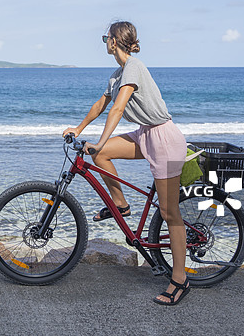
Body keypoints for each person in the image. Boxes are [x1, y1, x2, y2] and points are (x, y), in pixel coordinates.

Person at [62, 21, 190, 306]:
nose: (105, 42)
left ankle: (180, 279)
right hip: (144, 134)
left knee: (170, 213)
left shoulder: (133, 67)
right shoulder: (117, 74)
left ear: (113, 41)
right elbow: (101, 105)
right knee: (100, 155)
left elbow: (118, 108)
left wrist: (99, 139)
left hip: (164, 139)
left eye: (105, 37)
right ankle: (120, 205)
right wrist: (79, 129)